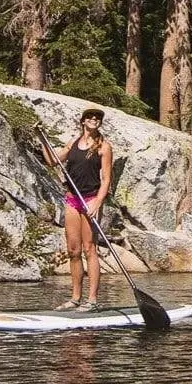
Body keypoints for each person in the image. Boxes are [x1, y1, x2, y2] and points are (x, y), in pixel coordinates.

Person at [40, 106, 113, 311]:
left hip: (90, 199)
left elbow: (106, 179)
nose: (93, 119)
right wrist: (42, 139)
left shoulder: (104, 147)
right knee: (73, 250)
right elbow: (53, 161)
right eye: (90, 117)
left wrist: (97, 202)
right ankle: (75, 298)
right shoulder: (73, 143)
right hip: (72, 200)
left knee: (90, 249)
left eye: (97, 117)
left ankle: (92, 300)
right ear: (83, 121)